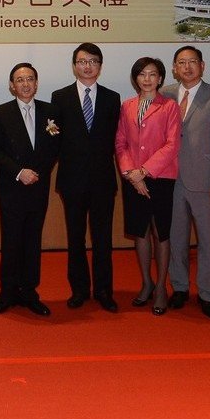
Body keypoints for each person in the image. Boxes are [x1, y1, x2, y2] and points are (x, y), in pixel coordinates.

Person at [50, 43, 122, 312]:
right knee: (75, 238)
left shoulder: (112, 98)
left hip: (103, 180)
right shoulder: (60, 97)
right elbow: (54, 140)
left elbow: (118, 141)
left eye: (93, 61)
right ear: (74, 66)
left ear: (100, 67)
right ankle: (79, 289)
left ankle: (104, 291)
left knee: (103, 239)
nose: (87, 66)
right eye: (82, 61)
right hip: (72, 181)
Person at [162, 45, 210, 318]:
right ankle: (179, 287)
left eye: (193, 62)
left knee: (208, 241)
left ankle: (208, 293)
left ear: (202, 66)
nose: (187, 67)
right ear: (174, 68)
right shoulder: (164, 94)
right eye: (182, 62)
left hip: (205, 181)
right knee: (176, 239)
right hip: (170, 179)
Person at [0, 63, 60, 317]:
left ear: (37, 84)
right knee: (11, 240)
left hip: (38, 186)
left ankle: (29, 292)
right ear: (11, 85)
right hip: (12, 188)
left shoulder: (51, 112)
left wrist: (36, 172)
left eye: (30, 79)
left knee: (32, 240)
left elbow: (55, 147)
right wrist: (20, 172)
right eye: (20, 80)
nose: (25, 84)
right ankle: (7, 292)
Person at [115, 57, 182, 315]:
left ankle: (162, 287)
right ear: (135, 78)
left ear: (161, 79)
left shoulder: (170, 107)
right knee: (140, 231)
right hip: (133, 177)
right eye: (142, 74)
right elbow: (120, 143)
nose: (147, 78)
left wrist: (145, 171)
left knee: (159, 231)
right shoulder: (127, 106)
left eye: (153, 74)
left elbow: (172, 144)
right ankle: (146, 283)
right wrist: (132, 173)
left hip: (160, 177)